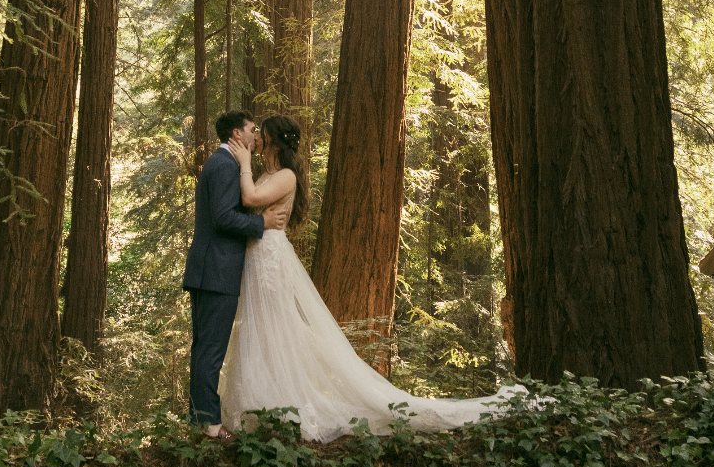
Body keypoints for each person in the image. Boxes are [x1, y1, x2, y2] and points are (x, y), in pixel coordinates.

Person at [218, 112, 530, 443]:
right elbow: (244, 203)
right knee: (257, 329)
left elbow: (251, 198)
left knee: (272, 329)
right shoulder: (266, 174)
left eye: (263, 134)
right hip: (256, 257)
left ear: (275, 141)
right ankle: (261, 404)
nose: (258, 139)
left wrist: (243, 163)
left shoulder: (285, 176)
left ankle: (282, 404)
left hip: (271, 261)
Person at [182, 108, 287, 440]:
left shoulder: (220, 162)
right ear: (236, 135)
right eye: (252, 129)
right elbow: (224, 218)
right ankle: (210, 426)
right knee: (210, 348)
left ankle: (200, 420)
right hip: (217, 270)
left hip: (209, 269)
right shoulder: (226, 165)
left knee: (204, 348)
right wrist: (262, 223)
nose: (256, 135)